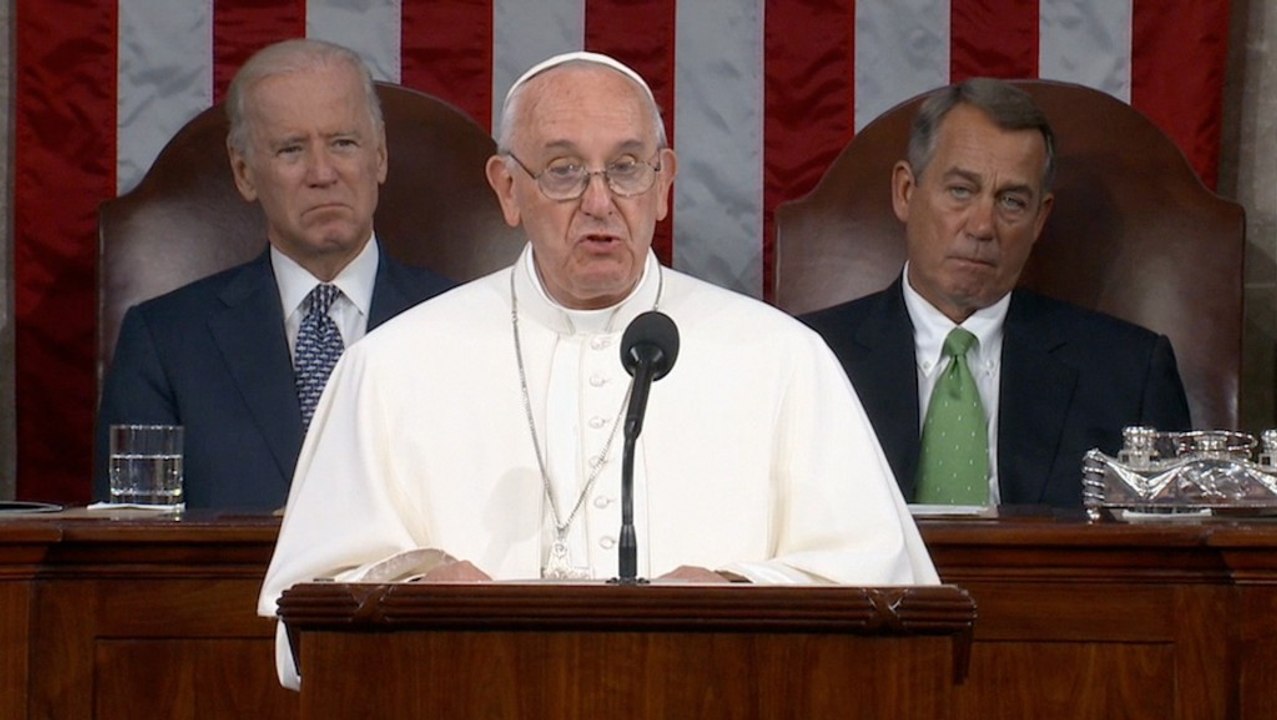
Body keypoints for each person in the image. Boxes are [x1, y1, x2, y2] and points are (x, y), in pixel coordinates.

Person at [258, 51, 939, 689]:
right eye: (561, 169)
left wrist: (734, 594)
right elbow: (303, 626)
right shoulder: (392, 366)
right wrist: (416, 587)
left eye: (626, 167)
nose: (599, 201)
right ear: (507, 190)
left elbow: (886, 591)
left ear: (663, 184)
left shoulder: (781, 359)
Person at [94, 39, 453, 509]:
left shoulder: (460, 325)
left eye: (343, 143)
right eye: (291, 150)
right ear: (244, 173)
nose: (322, 173)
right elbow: (130, 554)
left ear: (379, 157)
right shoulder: (165, 343)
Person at [802, 78, 1191, 509]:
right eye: (961, 191)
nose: (982, 226)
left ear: (1039, 219)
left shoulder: (1130, 372)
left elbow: (1170, 557)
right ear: (906, 193)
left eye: (1011, 201)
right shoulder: (806, 356)